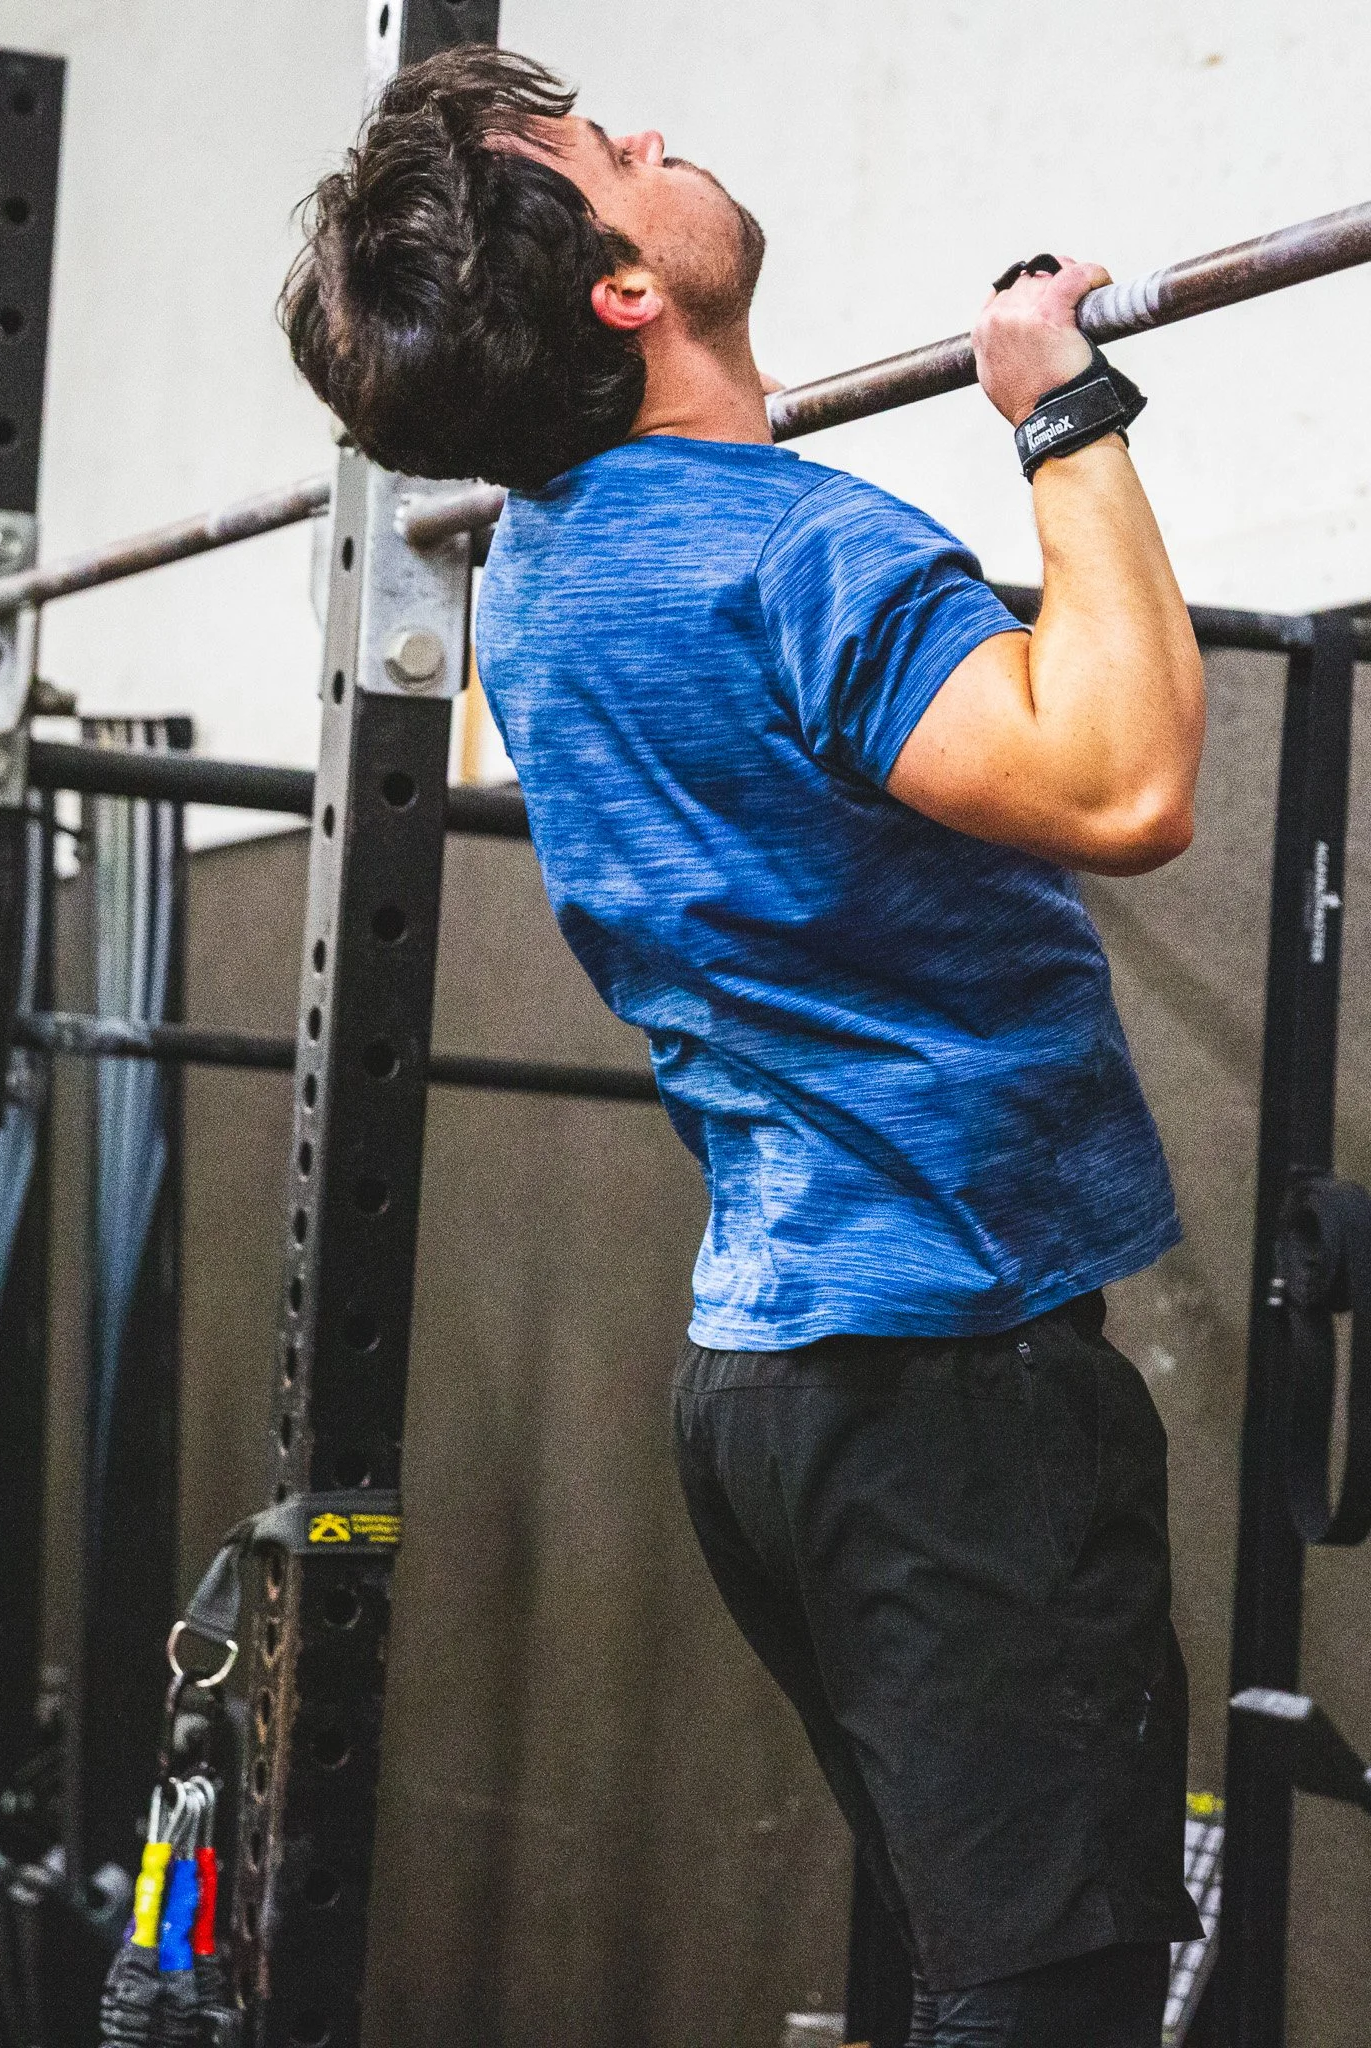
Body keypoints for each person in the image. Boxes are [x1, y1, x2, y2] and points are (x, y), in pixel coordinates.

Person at [281, 44, 1205, 2048]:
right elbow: (1125, 778)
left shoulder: (544, 572)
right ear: (628, 292)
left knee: (973, 1948)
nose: (655, 136)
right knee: (1052, 1992)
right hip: (950, 1380)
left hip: (777, 1389)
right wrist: (1070, 416)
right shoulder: (789, 549)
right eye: (617, 158)